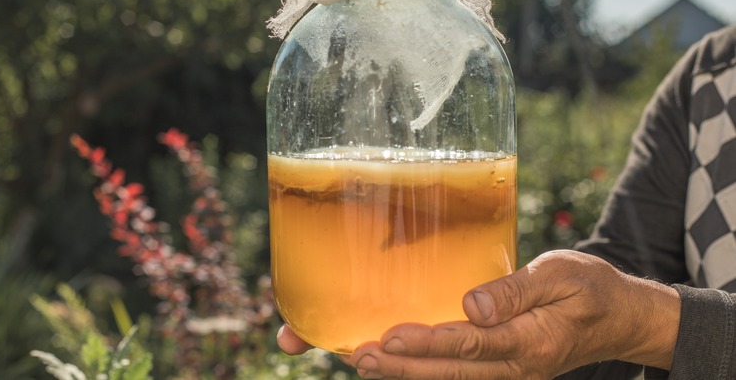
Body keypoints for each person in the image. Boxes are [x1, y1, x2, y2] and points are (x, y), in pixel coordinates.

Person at [277, 24, 736, 380]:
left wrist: (651, 324)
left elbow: (632, 310)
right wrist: (527, 337)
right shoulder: (707, 81)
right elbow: (629, 266)